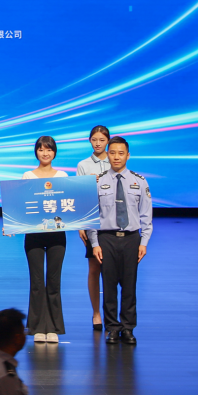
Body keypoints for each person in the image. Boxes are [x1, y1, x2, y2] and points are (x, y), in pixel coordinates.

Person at [86, 135, 153, 345]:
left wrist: (144, 242)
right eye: (113, 153)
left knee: (129, 285)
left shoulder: (139, 181)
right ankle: (112, 328)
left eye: (121, 153)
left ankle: (128, 327)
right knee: (109, 285)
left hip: (132, 238)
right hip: (106, 238)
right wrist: (95, 243)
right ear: (108, 154)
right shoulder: (98, 182)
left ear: (128, 155)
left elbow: (146, 215)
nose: (116, 157)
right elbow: (92, 216)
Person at [21, 136, 69, 344]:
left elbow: (69, 204)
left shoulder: (62, 176)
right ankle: (37, 327)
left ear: (54, 152)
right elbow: (21, 204)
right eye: (41, 149)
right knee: (37, 282)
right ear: (36, 152)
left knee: (53, 281)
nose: (45, 153)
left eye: (49, 149)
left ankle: (54, 328)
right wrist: (12, 223)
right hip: (34, 235)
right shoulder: (28, 176)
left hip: (57, 234)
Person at [75, 125, 111, 331]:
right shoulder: (83, 165)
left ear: (108, 141)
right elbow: (79, 195)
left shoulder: (115, 160)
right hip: (92, 220)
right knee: (94, 268)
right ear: (89, 140)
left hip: (112, 221)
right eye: (94, 140)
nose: (98, 143)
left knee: (112, 271)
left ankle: (110, 313)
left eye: (102, 140)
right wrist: (81, 224)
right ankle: (96, 313)